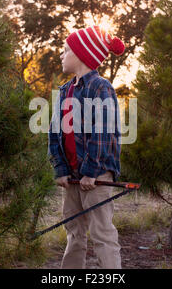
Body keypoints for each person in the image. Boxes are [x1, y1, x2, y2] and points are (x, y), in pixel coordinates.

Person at [48, 25, 125, 269]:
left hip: (95, 175)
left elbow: (103, 133)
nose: (61, 54)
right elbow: (54, 132)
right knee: (74, 233)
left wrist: (91, 172)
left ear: (81, 55)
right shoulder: (64, 91)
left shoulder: (100, 87)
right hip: (71, 176)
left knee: (102, 234)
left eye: (66, 49)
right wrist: (60, 169)